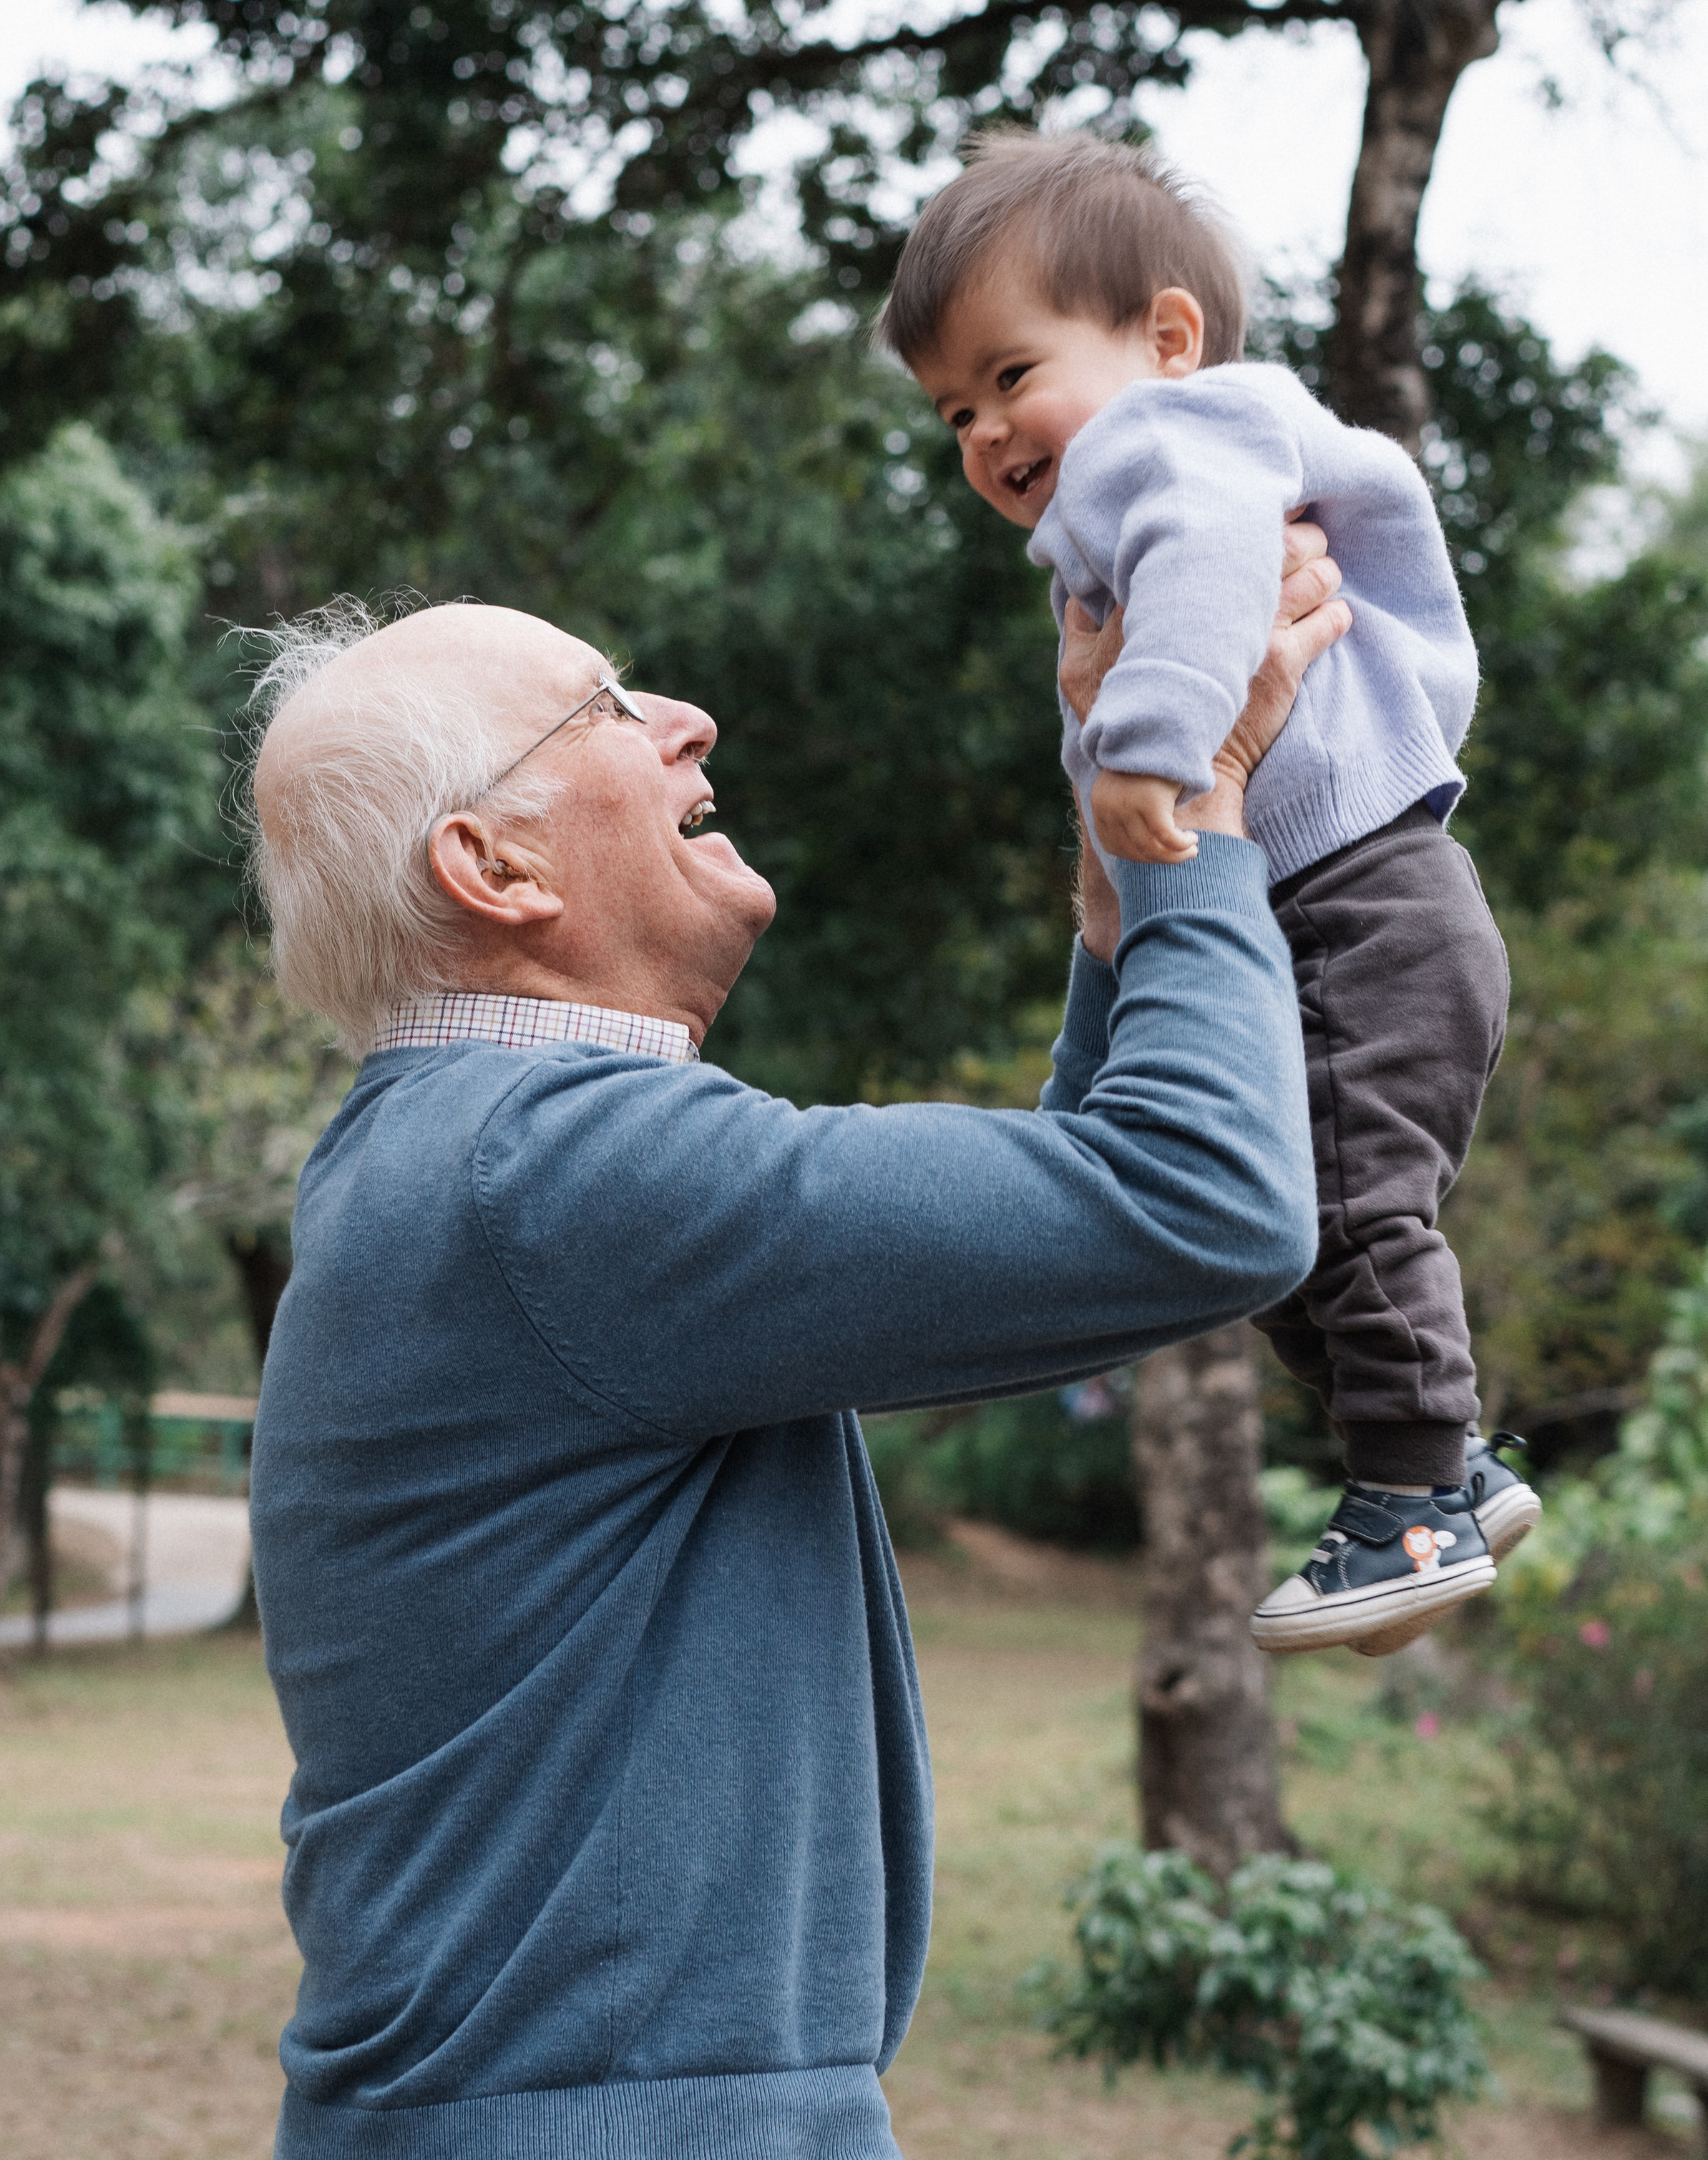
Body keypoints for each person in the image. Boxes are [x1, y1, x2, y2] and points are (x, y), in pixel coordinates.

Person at [243, 573, 1338, 2160]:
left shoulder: (468, 1158)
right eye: (608, 706)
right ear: (491, 865)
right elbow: (1201, 1203)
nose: (688, 719)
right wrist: (1195, 811)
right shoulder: (556, 1171)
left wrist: (1118, 900)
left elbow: (1085, 1218)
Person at [883, 128, 1543, 1660]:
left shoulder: (1174, 450)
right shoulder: (1111, 522)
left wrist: (1160, 743)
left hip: (1351, 913)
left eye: (1006, 373)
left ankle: (1409, 1496)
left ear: (1163, 338)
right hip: (1345, 915)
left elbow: (1211, 562)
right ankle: (1443, 1470)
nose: (983, 431)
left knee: (1346, 1206)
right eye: (952, 412)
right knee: (1273, 1228)